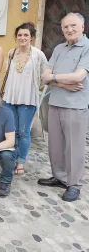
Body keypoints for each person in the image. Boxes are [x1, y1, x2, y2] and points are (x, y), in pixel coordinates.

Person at [38, 12, 89, 202]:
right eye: (66, 27)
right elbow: (45, 76)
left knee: (74, 147)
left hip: (76, 106)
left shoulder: (87, 48)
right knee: (55, 145)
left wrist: (54, 79)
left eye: (73, 26)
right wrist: (61, 83)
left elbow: (78, 77)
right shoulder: (59, 48)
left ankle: (74, 184)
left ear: (82, 27)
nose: (69, 29)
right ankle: (59, 177)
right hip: (55, 103)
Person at [1, 22, 47, 175]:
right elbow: (8, 73)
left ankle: (21, 161)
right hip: (10, 97)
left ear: (32, 38)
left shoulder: (38, 55)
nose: (22, 37)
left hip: (28, 98)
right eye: (19, 35)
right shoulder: (11, 53)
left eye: (26, 35)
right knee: (11, 131)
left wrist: (33, 89)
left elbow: (44, 75)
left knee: (23, 131)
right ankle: (12, 158)